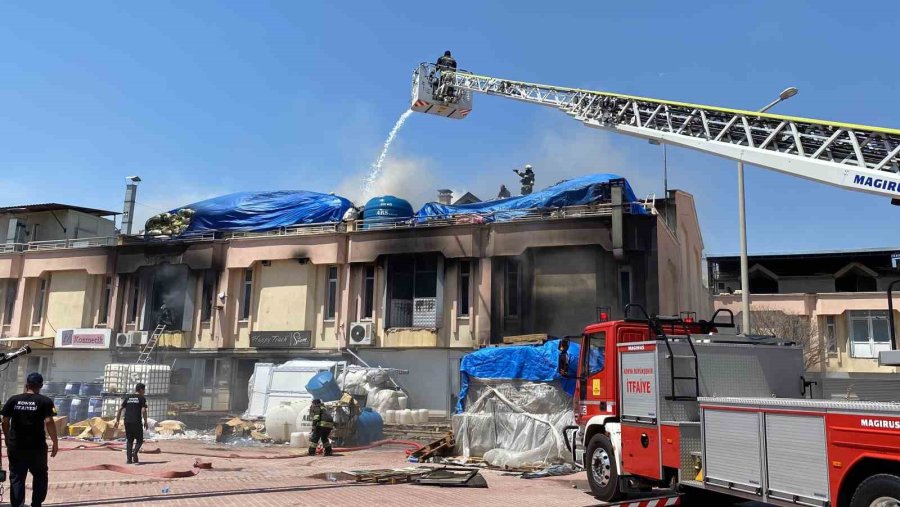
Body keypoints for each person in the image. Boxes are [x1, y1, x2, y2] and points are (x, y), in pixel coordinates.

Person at [1, 372, 58, 507]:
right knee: (40, 475)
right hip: (37, 447)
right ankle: (36, 503)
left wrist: (7, 438)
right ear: (41, 386)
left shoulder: (13, 400)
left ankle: (18, 505)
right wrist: (55, 443)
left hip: (16, 446)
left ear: (27, 385)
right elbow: (49, 421)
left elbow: (5, 420)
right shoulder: (45, 401)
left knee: (17, 476)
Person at [113, 383, 148, 464]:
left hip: (127, 421)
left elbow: (120, 409)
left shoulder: (128, 397)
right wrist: (145, 421)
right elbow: (143, 410)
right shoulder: (141, 398)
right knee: (139, 440)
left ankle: (129, 460)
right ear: (141, 390)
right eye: (144, 390)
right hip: (136, 421)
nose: (144, 392)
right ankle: (135, 452)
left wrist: (117, 421)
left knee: (129, 440)